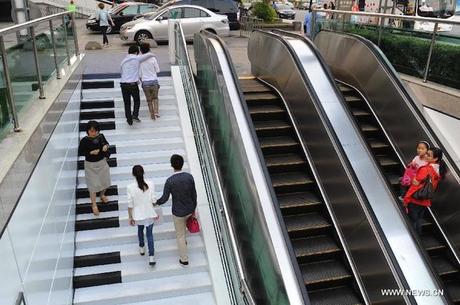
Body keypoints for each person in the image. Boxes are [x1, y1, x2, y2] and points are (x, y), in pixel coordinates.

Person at [156, 154, 197, 267]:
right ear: (182, 164)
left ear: (171, 165)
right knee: (184, 232)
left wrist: (156, 202)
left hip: (178, 212)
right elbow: (194, 195)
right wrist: (194, 208)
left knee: (180, 235)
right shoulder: (189, 177)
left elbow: (164, 198)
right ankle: (184, 244)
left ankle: (184, 259)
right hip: (189, 208)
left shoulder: (170, 181)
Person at [404, 147, 446, 234]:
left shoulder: (426, 169)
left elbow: (415, 186)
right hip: (425, 200)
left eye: (429, 155)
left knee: (412, 222)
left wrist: (406, 198)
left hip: (415, 200)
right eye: (427, 153)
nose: (426, 156)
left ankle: (413, 240)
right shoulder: (438, 170)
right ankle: (417, 239)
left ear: (435, 158)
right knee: (418, 220)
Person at [78, 120, 111, 216]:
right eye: (91, 131)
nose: (94, 133)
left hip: (102, 162)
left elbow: (107, 144)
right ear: (87, 131)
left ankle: (102, 195)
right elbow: (80, 152)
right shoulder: (84, 140)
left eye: (96, 131)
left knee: (105, 181)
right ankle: (94, 204)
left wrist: (105, 146)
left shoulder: (101, 136)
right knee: (92, 186)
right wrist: (90, 153)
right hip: (90, 165)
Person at [128, 165, 159, 266]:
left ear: (133, 174)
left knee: (140, 230)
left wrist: (130, 217)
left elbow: (130, 204)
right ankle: (151, 257)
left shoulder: (130, 187)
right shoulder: (150, 184)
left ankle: (142, 248)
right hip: (149, 213)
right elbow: (154, 201)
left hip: (138, 214)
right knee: (149, 235)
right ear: (143, 172)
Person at [120, 45, 154, 125]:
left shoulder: (123, 61)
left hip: (123, 84)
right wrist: (153, 54)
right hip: (132, 84)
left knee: (127, 102)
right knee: (136, 100)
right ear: (136, 52)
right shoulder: (136, 58)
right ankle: (135, 115)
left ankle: (129, 119)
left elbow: (122, 73)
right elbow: (149, 55)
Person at [139, 42, 161, 120]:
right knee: (155, 98)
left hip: (145, 83)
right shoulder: (153, 58)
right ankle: (156, 112)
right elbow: (158, 70)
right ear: (149, 49)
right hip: (154, 81)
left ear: (141, 50)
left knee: (149, 100)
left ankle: (152, 115)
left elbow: (140, 74)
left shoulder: (139, 60)